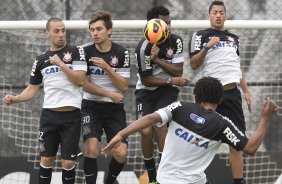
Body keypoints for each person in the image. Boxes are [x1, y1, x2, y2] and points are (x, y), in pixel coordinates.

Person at [101, 76, 278, 184]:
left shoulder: (180, 107)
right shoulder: (222, 124)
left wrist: (121, 134)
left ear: (196, 95)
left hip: (165, 181)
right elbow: (250, 148)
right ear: (220, 100)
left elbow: (149, 119)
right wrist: (265, 118)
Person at [3, 17, 87, 184]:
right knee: (47, 160)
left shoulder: (77, 52)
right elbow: (32, 89)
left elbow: (80, 80)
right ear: (47, 34)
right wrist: (15, 98)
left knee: (68, 162)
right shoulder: (40, 60)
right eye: (56, 31)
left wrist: (61, 64)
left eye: (63, 30)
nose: (61, 34)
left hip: (71, 116)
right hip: (49, 116)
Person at [188, 1, 252, 183]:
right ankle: (191, 178)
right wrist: (207, 46)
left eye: (221, 12)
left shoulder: (234, 38)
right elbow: (193, 64)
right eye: (214, 12)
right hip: (210, 95)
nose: (218, 15)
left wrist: (246, 91)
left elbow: (236, 66)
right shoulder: (200, 35)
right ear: (209, 15)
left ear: (225, 15)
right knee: (198, 140)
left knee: (237, 144)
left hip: (232, 95)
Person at [135, 6, 189, 183]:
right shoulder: (142, 48)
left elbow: (178, 71)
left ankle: (164, 176)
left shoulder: (176, 41)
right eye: (164, 23)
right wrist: (170, 80)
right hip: (146, 90)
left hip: (167, 91)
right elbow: (146, 81)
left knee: (159, 124)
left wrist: (157, 60)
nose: (169, 26)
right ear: (152, 25)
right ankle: (152, 178)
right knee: (144, 131)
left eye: (170, 22)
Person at [81, 10, 130, 184]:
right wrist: (109, 94)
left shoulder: (121, 52)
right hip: (91, 106)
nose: (95, 33)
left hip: (114, 109)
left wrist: (107, 67)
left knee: (121, 153)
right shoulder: (84, 51)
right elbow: (84, 84)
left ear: (109, 30)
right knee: (92, 148)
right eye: (92, 29)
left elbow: (124, 86)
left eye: (99, 29)